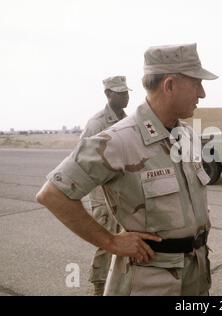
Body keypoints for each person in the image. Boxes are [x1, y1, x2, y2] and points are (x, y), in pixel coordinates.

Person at [36, 43, 218, 295]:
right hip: (151, 282)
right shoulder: (118, 141)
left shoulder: (186, 135)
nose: (202, 93)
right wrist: (110, 241)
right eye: (196, 83)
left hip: (196, 275)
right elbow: (53, 195)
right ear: (170, 85)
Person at [81, 75, 131, 295]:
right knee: (107, 237)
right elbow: (82, 160)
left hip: (122, 188)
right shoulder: (97, 123)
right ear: (108, 94)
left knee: (127, 236)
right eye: (120, 93)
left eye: (127, 92)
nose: (125, 97)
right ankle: (99, 286)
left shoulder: (127, 119)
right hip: (101, 190)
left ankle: (120, 284)